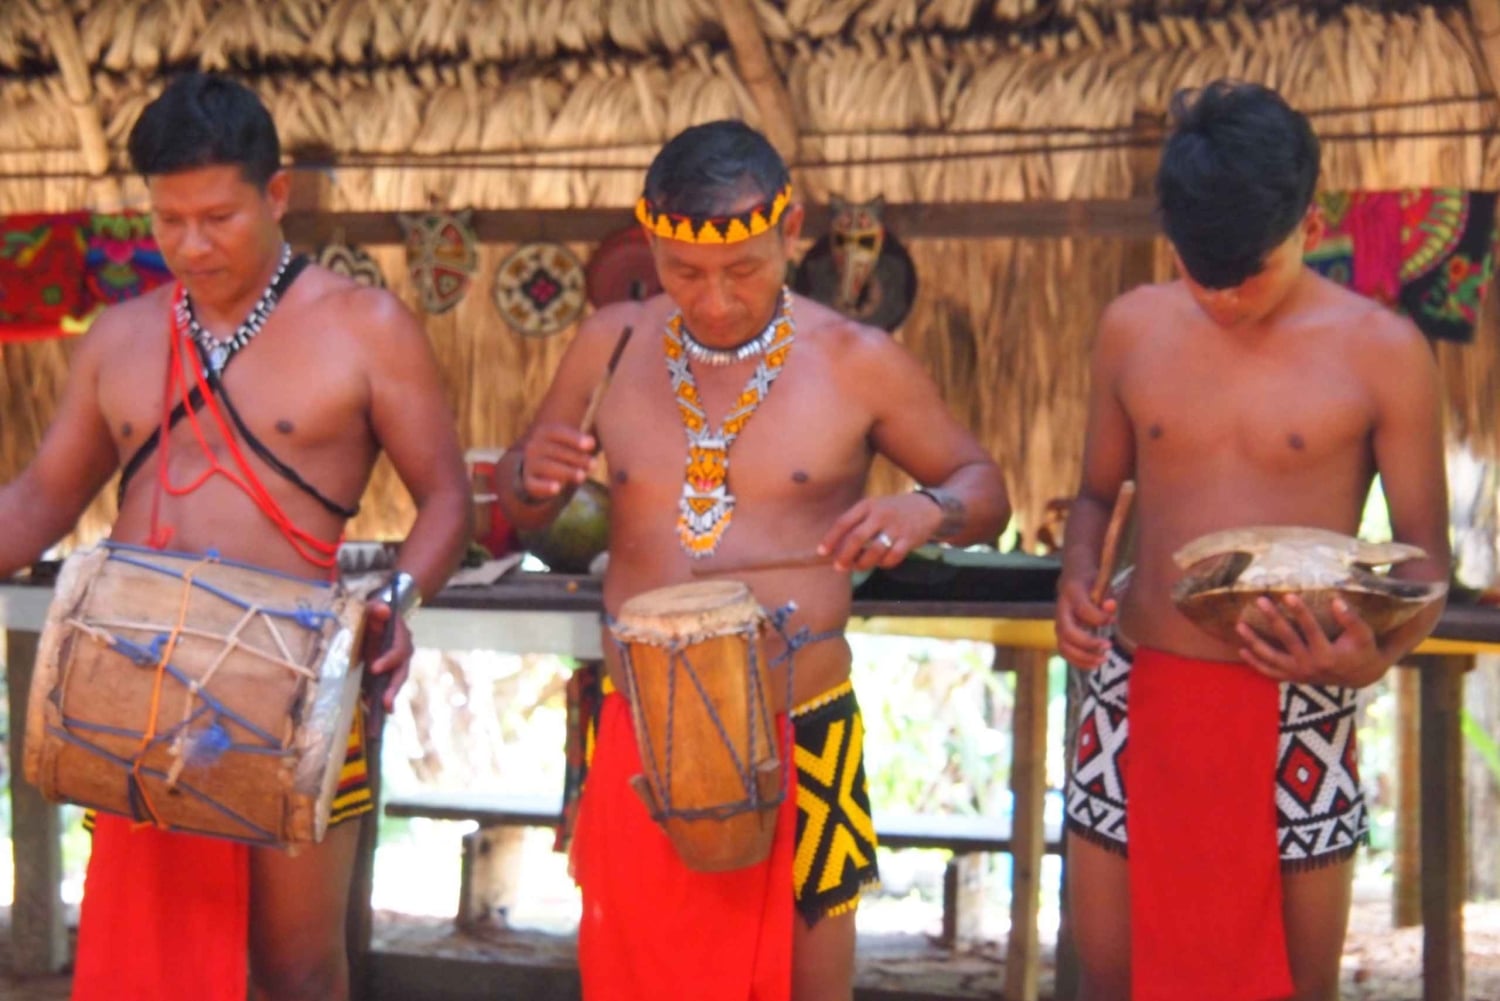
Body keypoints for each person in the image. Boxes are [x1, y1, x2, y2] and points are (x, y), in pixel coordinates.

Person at [499, 119, 1010, 1001]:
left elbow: (984, 488)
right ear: (653, 241)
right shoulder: (609, 343)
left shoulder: (858, 362)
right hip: (641, 735)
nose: (716, 299)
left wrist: (924, 508)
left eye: (744, 268)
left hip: (802, 729)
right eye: (685, 271)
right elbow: (522, 497)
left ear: (791, 228)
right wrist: (528, 480)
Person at [0, 72, 470, 999]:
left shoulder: (364, 327)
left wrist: (398, 600)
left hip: (302, 687)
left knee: (297, 967)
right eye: (168, 220)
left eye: (217, 216)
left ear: (277, 194)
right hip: (135, 687)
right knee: (152, 962)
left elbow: (446, 501)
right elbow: (36, 503)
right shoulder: (119, 337)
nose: (189, 243)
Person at [1054, 80, 1450, 1001]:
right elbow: (1090, 495)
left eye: (1250, 271)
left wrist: (1376, 655)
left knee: (1289, 988)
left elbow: (1426, 558)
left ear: (1311, 217)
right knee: (1114, 981)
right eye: (1203, 272)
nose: (1225, 295)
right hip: (1133, 694)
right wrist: (1078, 577)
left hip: (1301, 703)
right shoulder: (1132, 329)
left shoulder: (1383, 351)